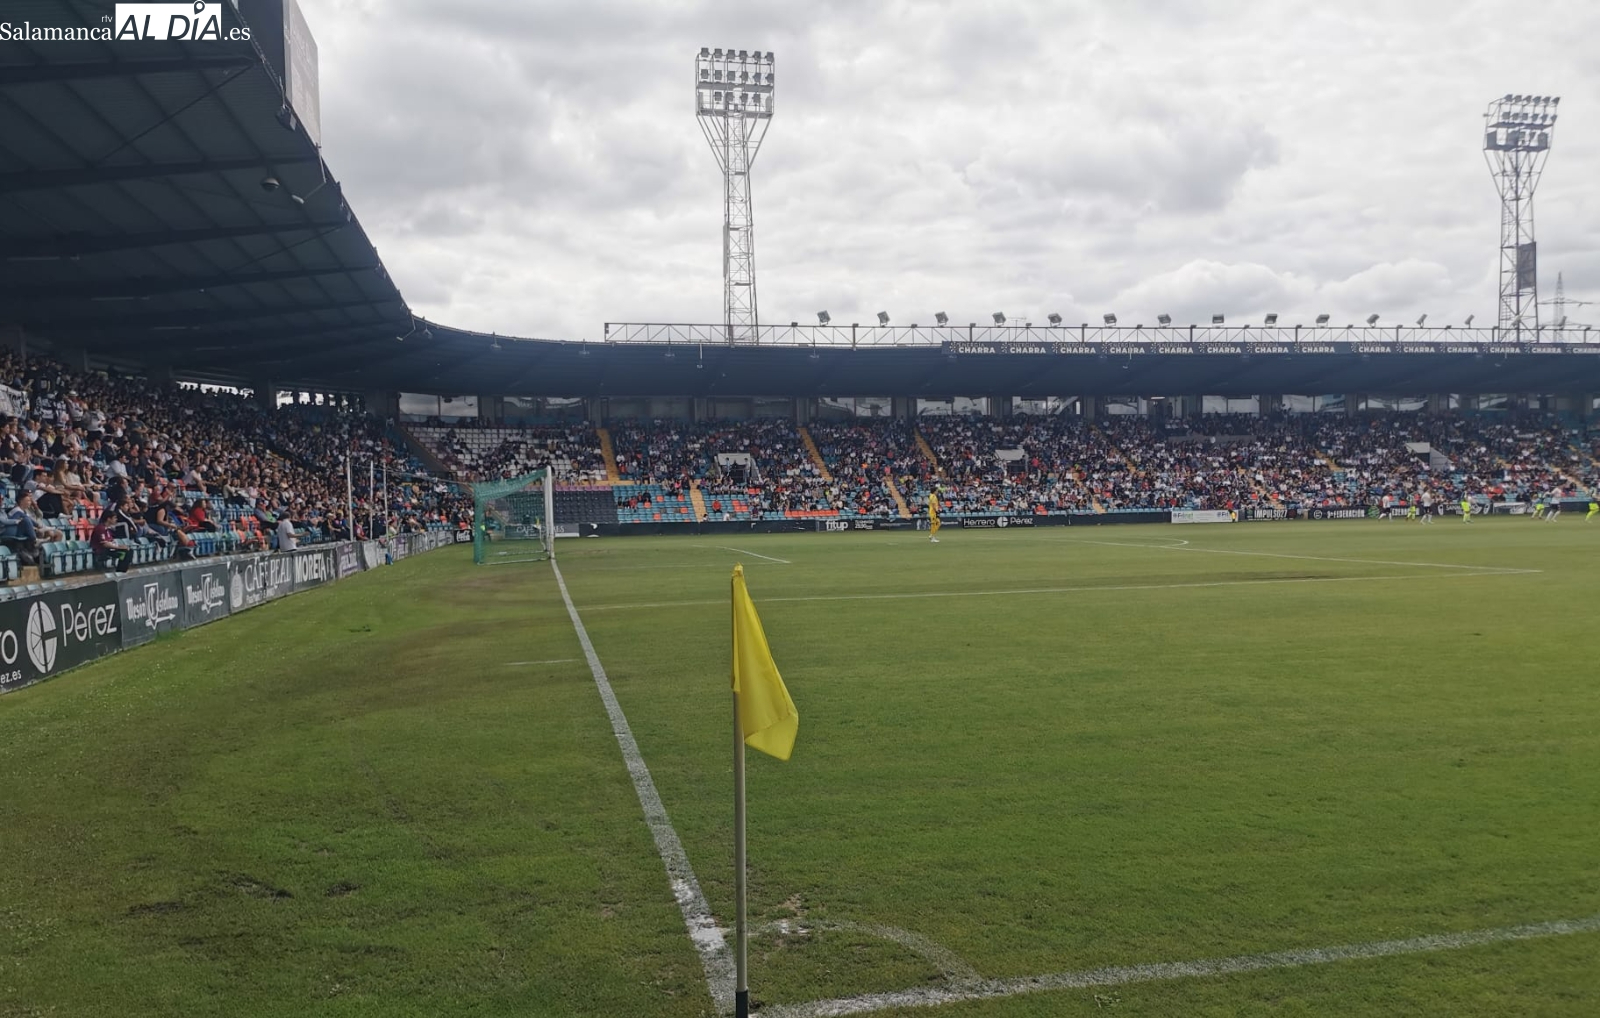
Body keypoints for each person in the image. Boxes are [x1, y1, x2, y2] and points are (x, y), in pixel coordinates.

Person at [90, 508, 133, 573]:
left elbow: (111, 541)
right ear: (108, 519)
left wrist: (121, 546)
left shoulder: (107, 529)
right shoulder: (100, 528)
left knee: (129, 550)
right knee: (125, 552)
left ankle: (122, 570)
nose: (116, 519)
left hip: (109, 550)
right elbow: (105, 544)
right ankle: (120, 571)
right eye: (114, 518)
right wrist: (119, 547)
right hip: (101, 551)